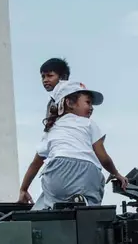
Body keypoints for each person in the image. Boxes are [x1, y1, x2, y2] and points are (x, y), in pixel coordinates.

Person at [18, 81, 128, 209]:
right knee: (91, 204)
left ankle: (52, 208)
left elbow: (35, 164)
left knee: (51, 200)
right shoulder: (89, 124)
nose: (92, 107)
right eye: (88, 102)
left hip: (57, 171)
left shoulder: (52, 129)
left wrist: (23, 189)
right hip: (87, 173)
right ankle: (83, 202)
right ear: (69, 103)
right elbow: (103, 157)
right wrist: (116, 173)